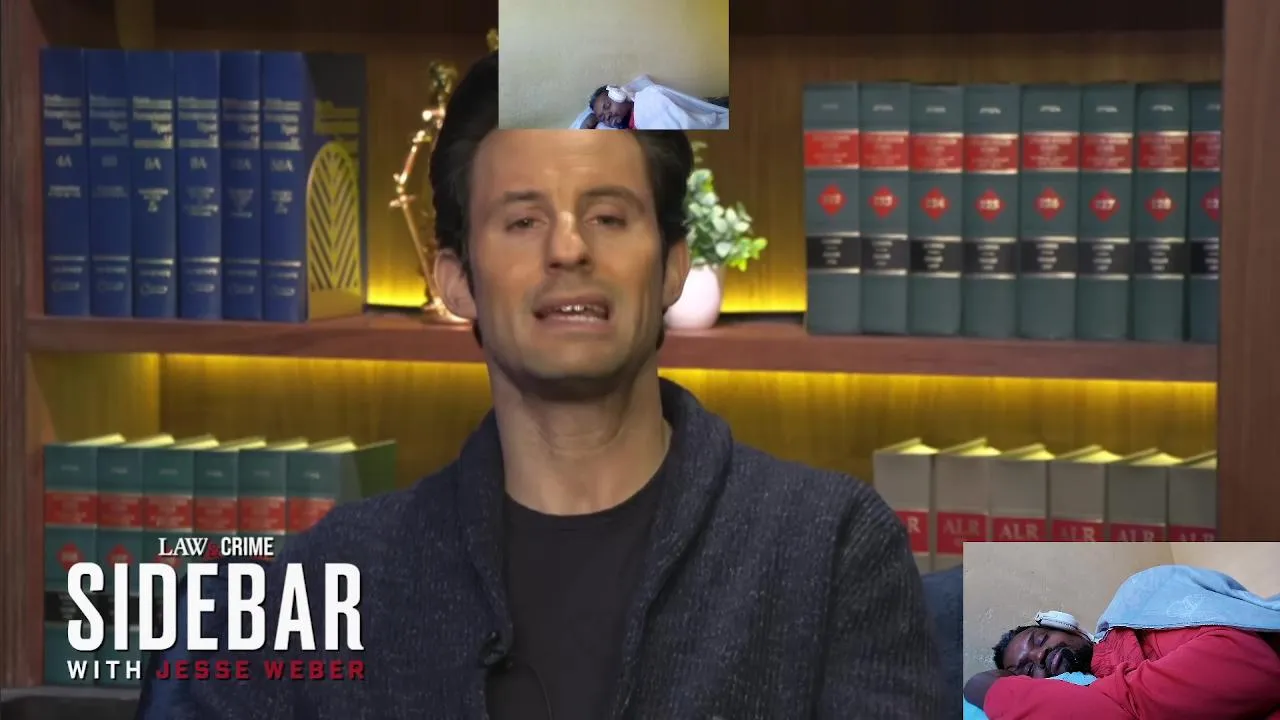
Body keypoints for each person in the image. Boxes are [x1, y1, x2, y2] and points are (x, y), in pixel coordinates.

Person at [170, 51, 943, 720]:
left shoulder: (832, 550)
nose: (569, 248)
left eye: (608, 217)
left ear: (673, 266)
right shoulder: (318, 583)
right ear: (455, 281)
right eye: (521, 221)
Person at [964, 567, 1280, 719]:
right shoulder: (1076, 695)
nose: (1040, 654)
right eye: (1026, 668)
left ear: (1068, 627)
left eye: (1040, 639)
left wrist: (987, 688)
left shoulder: (1136, 610)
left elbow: (1249, 662)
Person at [581, 76, 730, 130]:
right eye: (602, 117)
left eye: (607, 106)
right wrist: (588, 123)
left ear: (618, 94)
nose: (607, 116)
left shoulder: (650, 98)